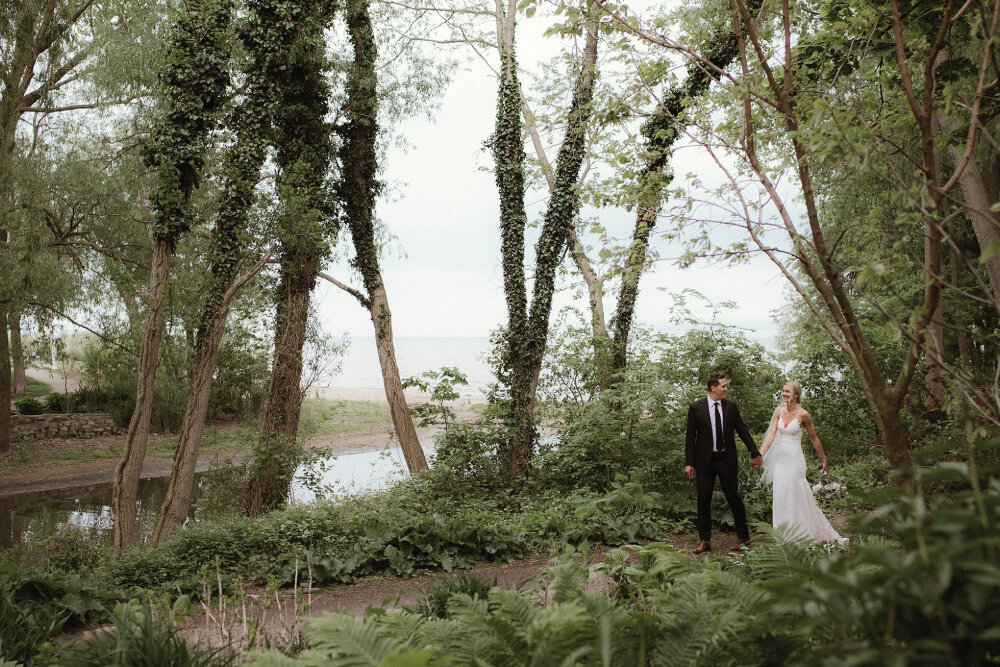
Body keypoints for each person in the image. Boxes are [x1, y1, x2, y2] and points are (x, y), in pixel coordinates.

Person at [760, 381, 847, 544]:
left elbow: (814, 438)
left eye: (787, 391)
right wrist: (760, 455)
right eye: (783, 391)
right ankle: (783, 535)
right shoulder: (778, 411)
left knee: (795, 495)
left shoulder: (804, 415)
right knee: (780, 495)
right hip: (781, 461)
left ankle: (801, 534)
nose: (784, 393)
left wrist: (824, 459)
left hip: (795, 461)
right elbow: (771, 436)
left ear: (796, 395)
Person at [685, 373, 763, 554]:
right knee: (703, 500)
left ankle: (743, 537)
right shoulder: (696, 407)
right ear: (713, 388)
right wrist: (689, 463)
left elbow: (743, 430)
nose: (726, 389)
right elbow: (690, 438)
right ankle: (705, 541)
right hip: (705, 461)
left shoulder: (731, 407)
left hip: (726, 460)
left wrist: (755, 453)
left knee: (733, 498)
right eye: (723, 386)